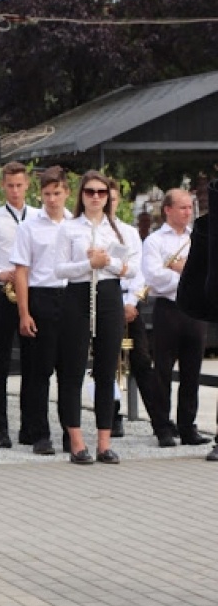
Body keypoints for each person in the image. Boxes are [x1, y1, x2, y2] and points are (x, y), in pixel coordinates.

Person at [54, 170, 138, 464]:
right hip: (77, 295)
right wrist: (87, 263)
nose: (95, 197)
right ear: (81, 195)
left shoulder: (121, 230)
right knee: (73, 369)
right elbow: (60, 269)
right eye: (90, 192)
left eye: (101, 192)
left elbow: (132, 268)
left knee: (106, 370)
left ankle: (104, 442)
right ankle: (76, 442)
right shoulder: (69, 228)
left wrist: (108, 262)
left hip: (109, 294)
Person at [11, 164, 71, 455]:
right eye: (47, 193)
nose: (51, 199)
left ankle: (71, 433)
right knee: (40, 371)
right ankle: (40, 434)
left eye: (57, 193)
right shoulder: (29, 227)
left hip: (71, 297)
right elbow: (21, 271)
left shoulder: (76, 225)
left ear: (66, 193)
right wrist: (24, 312)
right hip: (42, 296)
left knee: (69, 371)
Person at [142, 188, 210, 447]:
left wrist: (180, 270)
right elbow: (153, 277)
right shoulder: (155, 241)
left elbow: (204, 275)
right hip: (168, 310)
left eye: (190, 207)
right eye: (182, 207)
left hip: (195, 311)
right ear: (168, 210)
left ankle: (188, 426)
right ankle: (162, 427)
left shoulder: (197, 238)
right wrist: (184, 276)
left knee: (192, 371)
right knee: (162, 370)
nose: (188, 212)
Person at [106, 181, 167, 442]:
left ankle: (160, 423)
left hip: (130, 305)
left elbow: (143, 274)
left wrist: (132, 302)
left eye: (113, 198)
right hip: (104, 304)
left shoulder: (129, 233)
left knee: (141, 362)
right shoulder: (90, 232)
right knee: (105, 366)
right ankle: (112, 415)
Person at [0, 160, 37, 448]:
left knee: (32, 362)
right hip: (4, 293)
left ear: (27, 185)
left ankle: (29, 427)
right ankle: (2, 429)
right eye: (10, 186)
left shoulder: (38, 217)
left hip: (31, 293)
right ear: (3, 186)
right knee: (0, 362)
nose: (15, 191)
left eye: (20, 185)